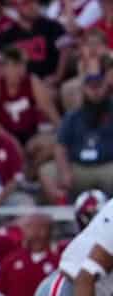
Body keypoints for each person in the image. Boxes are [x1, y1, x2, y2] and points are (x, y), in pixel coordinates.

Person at [43, 71, 113, 202]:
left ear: (106, 88)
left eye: (99, 86)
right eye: (91, 87)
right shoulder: (73, 116)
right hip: (79, 168)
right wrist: (64, 171)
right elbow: (60, 147)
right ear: (84, 89)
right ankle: (64, 209)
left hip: (107, 167)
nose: (95, 91)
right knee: (47, 171)